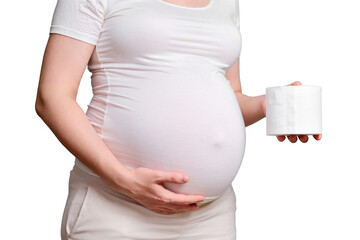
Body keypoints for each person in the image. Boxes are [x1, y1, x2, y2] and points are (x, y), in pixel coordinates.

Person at [35, 0, 322, 239]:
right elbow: (53, 97)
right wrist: (125, 181)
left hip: (210, 217)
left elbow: (229, 94)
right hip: (116, 208)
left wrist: (265, 105)